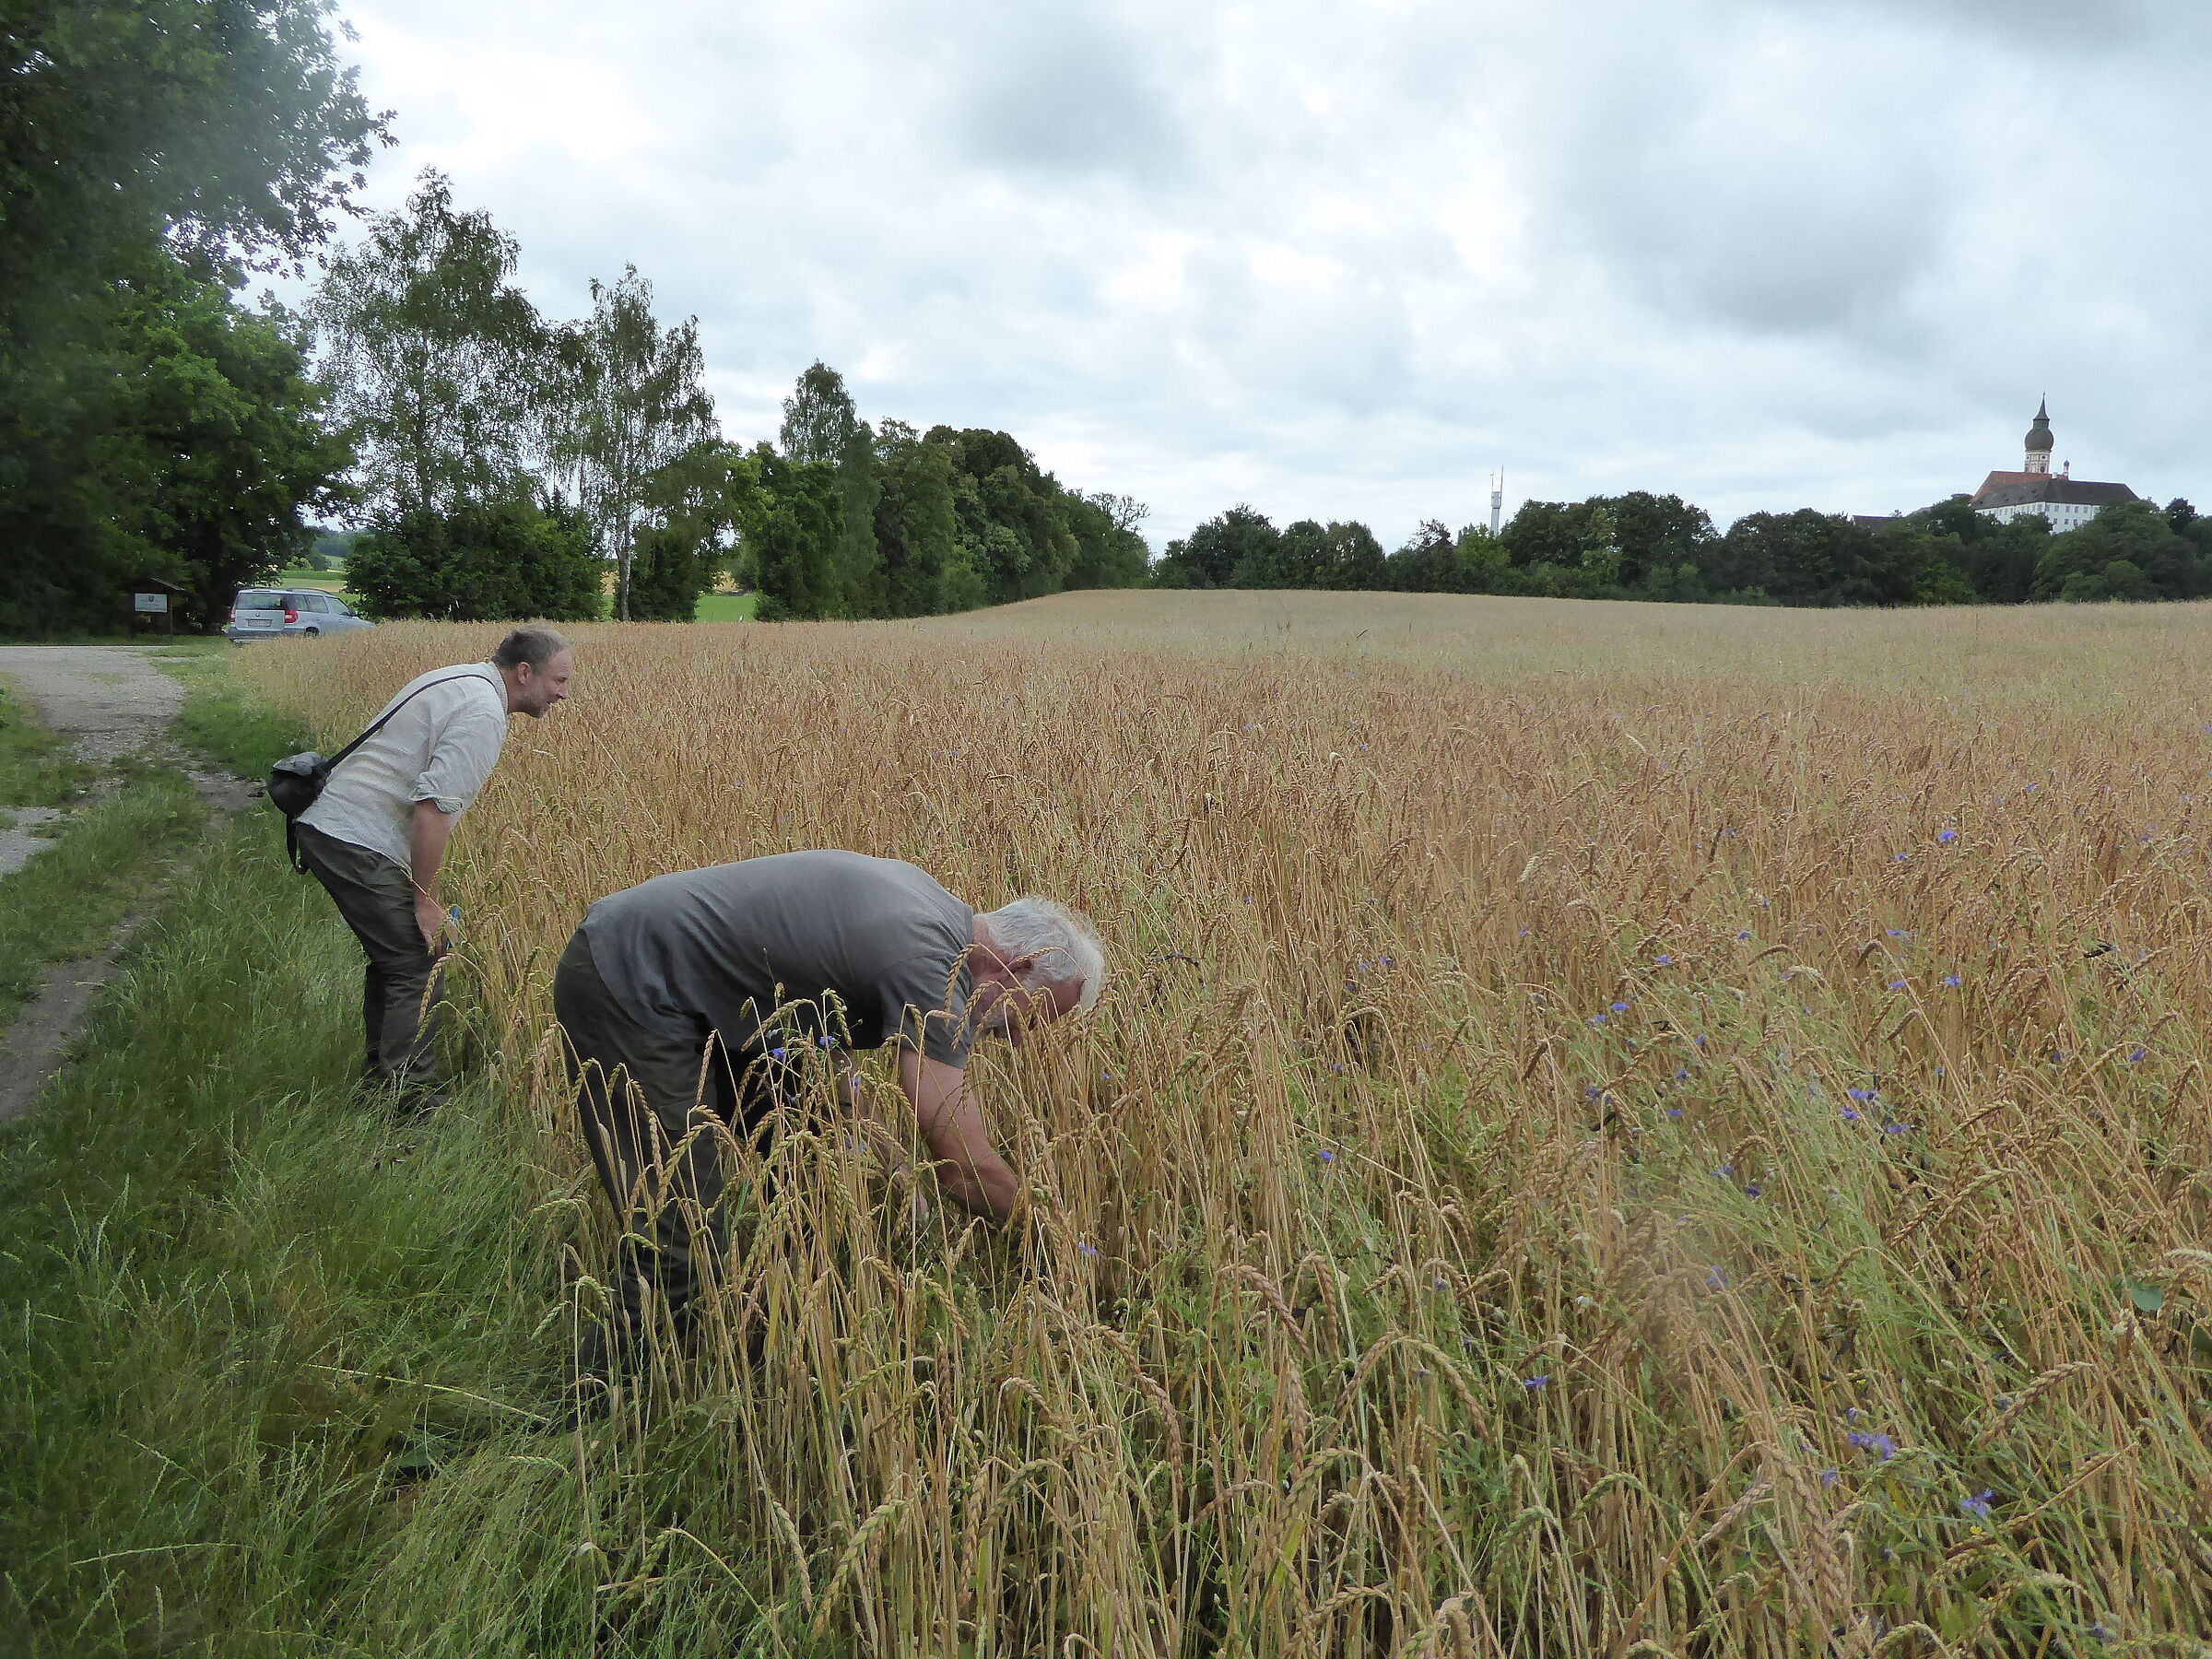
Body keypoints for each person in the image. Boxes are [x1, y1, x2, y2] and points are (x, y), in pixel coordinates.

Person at [554, 850, 1104, 1375]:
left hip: (698, 988)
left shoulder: (932, 912)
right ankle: (593, 1412)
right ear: (1019, 966)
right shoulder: (932, 967)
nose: (1019, 1041)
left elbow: (820, 1027)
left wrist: (883, 1158)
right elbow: (964, 1168)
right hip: (632, 981)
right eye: (1032, 1020)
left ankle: (772, 1342)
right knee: (683, 1235)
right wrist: (1054, 1242)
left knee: (803, 1166)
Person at [295, 625, 575, 1110]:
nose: (563, 694)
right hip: (356, 837)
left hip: (336, 826)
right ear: (525, 672)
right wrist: (425, 900)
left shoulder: (460, 679)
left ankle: (382, 1082)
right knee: (417, 963)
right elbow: (432, 808)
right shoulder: (484, 711)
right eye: (558, 681)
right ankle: (409, 1098)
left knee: (396, 959)